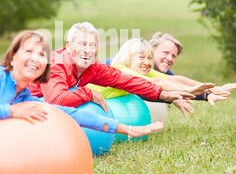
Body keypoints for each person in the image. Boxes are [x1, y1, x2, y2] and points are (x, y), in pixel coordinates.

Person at [0, 30, 164, 157]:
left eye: (41, 54)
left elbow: (71, 114)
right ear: (13, 56)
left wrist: (125, 128)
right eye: (29, 52)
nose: (35, 58)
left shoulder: (23, 96)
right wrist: (11, 111)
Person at [28, 22, 195, 112]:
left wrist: (161, 94)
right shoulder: (57, 64)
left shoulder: (92, 67)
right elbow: (56, 100)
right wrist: (89, 93)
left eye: (92, 45)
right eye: (82, 44)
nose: (88, 50)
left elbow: (124, 80)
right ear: (69, 46)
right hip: (19, 102)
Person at [88, 38, 219, 117]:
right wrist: (189, 90)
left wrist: (212, 90)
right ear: (128, 58)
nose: (146, 62)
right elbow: (156, 82)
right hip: (85, 105)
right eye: (141, 57)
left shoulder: (142, 69)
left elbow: (172, 79)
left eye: (149, 58)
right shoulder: (122, 70)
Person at [149, 32, 236, 105]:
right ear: (152, 50)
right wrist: (174, 97)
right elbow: (159, 84)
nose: (169, 58)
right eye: (165, 52)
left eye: (173, 56)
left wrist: (207, 95)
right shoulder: (140, 67)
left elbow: (177, 81)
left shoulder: (160, 71)